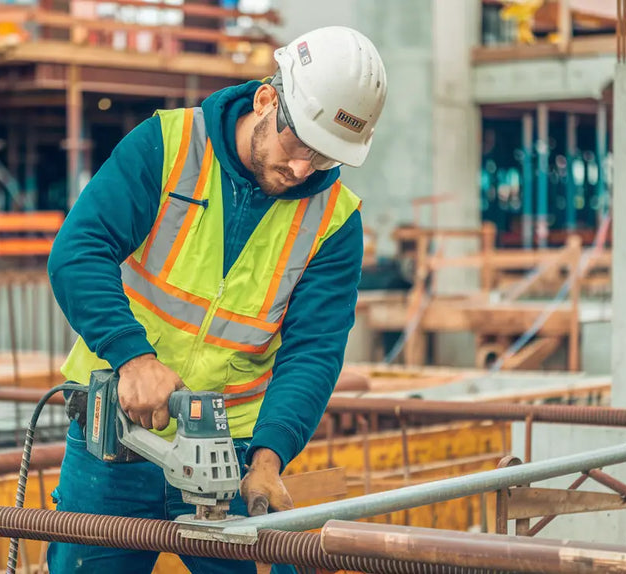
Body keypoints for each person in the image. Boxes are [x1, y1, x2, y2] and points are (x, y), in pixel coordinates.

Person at [45, 25, 388, 573]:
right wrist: (132, 356)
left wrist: (270, 458)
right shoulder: (169, 145)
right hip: (116, 441)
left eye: (325, 158)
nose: (303, 169)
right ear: (266, 99)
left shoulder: (335, 218)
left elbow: (313, 351)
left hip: (230, 456)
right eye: (298, 143)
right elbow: (78, 251)